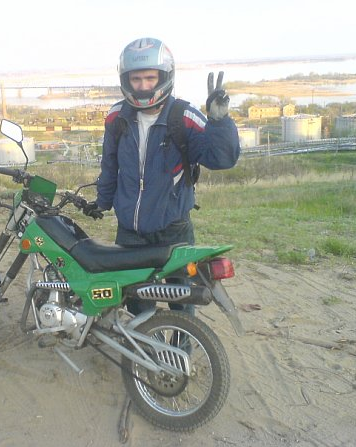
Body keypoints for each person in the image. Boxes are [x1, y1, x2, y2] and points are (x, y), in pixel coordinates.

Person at [85, 37, 241, 316]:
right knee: (137, 300)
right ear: (125, 79)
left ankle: (183, 342)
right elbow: (110, 164)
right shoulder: (116, 117)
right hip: (130, 231)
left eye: (150, 78)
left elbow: (221, 159)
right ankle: (146, 342)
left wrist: (220, 122)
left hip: (173, 227)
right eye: (136, 79)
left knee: (182, 298)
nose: (143, 86)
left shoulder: (184, 116)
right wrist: (102, 201)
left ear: (164, 76)